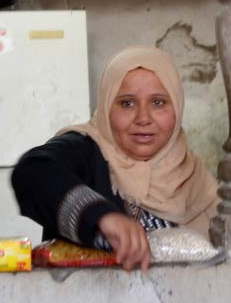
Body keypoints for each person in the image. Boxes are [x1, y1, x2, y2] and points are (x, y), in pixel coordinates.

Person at [12, 45, 218, 270]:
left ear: (177, 108)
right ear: (106, 107)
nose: (143, 118)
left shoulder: (195, 178)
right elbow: (33, 172)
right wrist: (101, 216)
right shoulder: (84, 150)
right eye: (127, 103)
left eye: (158, 102)